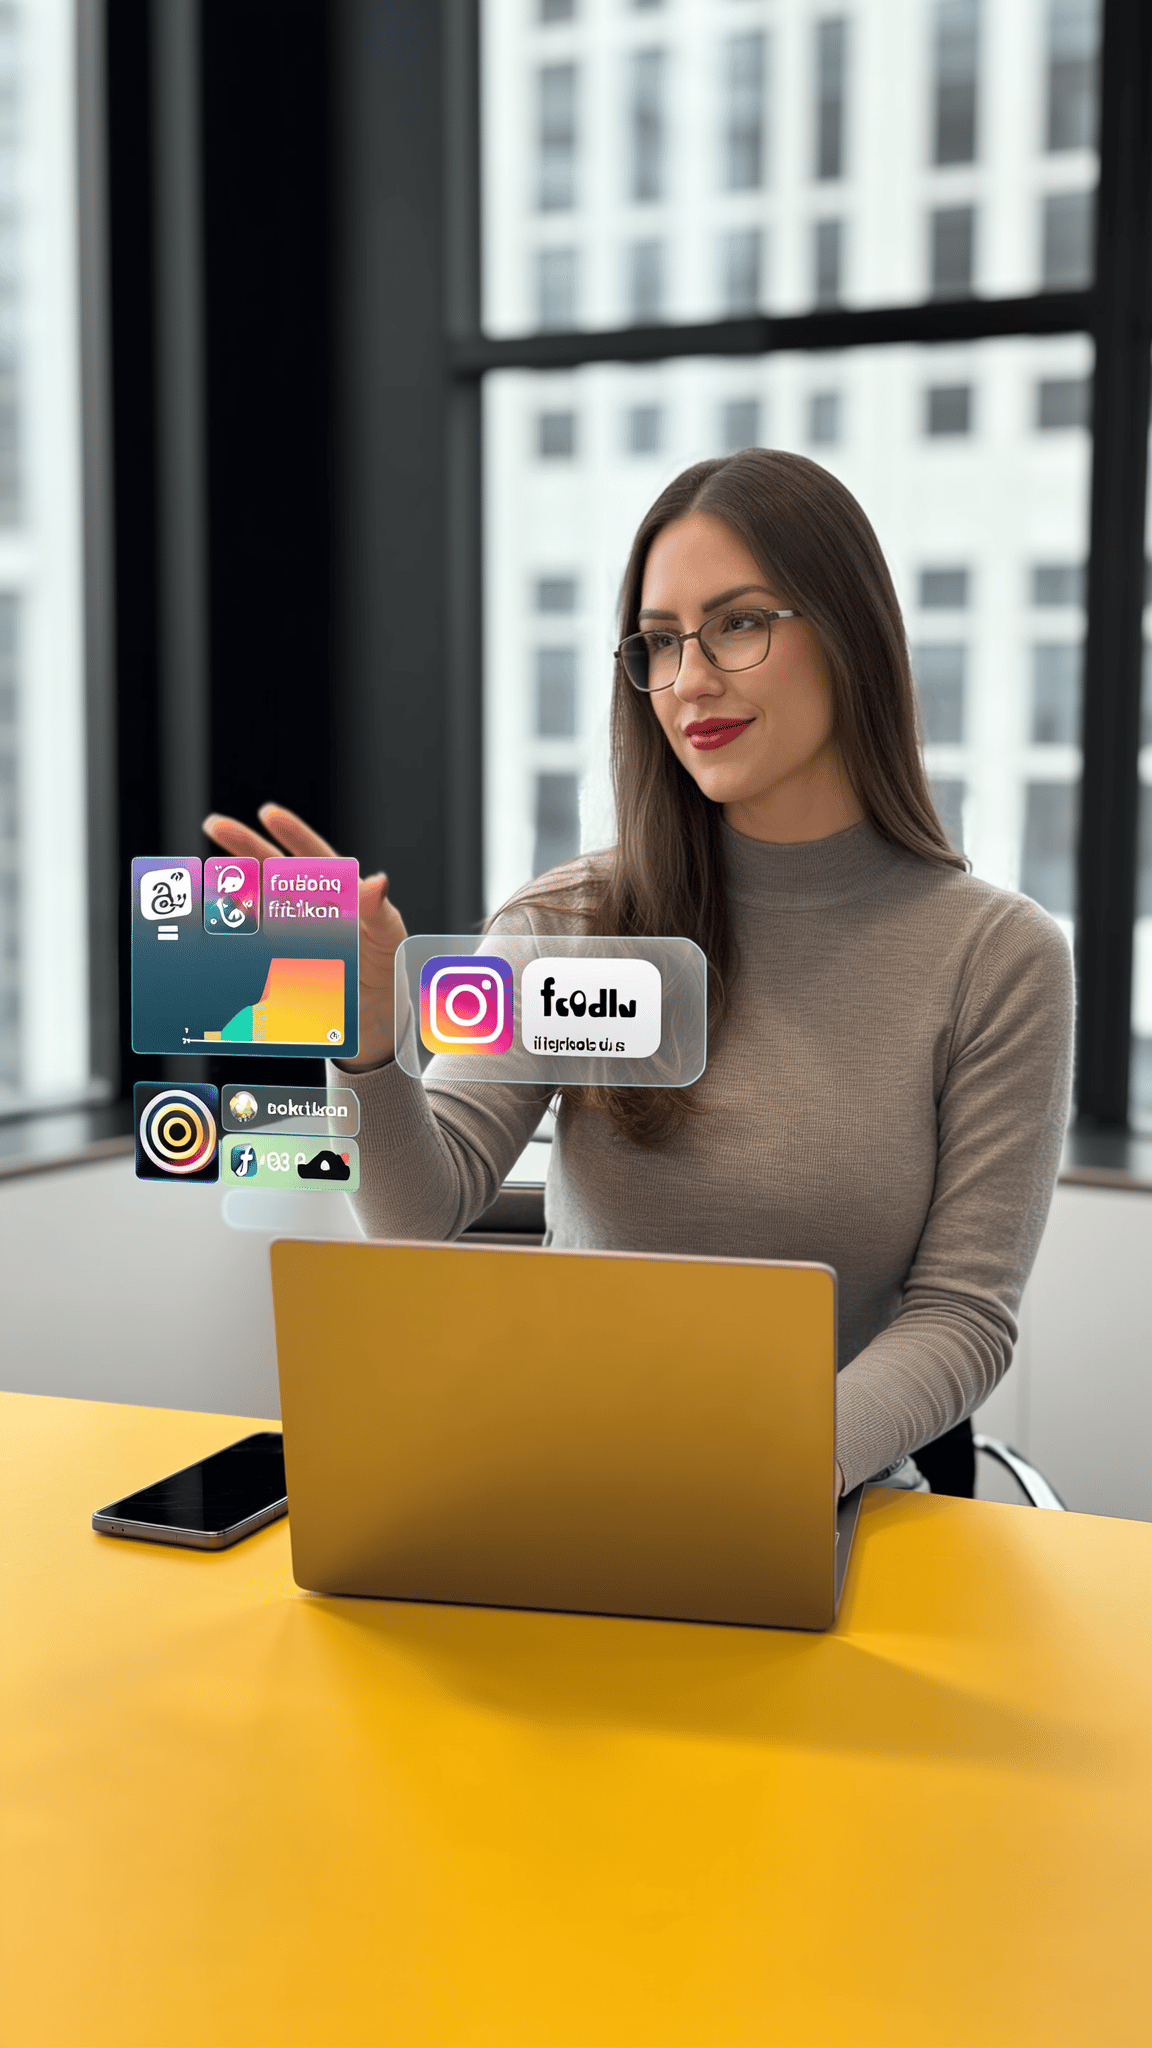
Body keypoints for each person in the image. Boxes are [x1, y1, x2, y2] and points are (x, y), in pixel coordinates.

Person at [205, 449, 1074, 1501]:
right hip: (569, 1482)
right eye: (660, 641)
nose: (691, 680)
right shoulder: (565, 924)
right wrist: (368, 1047)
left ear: (850, 632)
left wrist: (774, 1465)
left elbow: (963, 1314)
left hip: (816, 1496)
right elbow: (419, 1216)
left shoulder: (999, 959)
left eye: (738, 623)